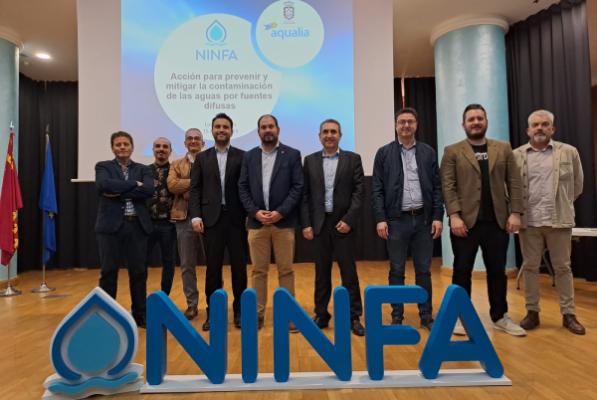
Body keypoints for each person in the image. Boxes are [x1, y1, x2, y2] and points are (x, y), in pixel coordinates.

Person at [441, 103, 526, 336]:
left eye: (480, 118)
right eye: (471, 119)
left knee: (497, 272)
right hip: (464, 224)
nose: (476, 122)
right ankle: (460, 317)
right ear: (463, 124)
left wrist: (516, 212)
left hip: (497, 222)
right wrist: (454, 215)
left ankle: (500, 316)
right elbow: (448, 186)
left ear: (486, 121)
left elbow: (514, 182)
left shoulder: (504, 148)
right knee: (461, 271)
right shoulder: (452, 151)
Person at [513, 109, 585, 335]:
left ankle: (569, 314)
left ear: (552, 129)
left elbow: (577, 186)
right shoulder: (516, 156)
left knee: (563, 268)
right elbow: (510, 188)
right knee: (530, 268)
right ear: (528, 130)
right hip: (529, 222)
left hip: (559, 221)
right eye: (535, 125)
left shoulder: (569, 152)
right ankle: (532, 312)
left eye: (545, 124)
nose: (540, 128)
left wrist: (563, 204)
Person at [371, 108, 443, 330]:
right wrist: (381, 218)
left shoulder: (428, 152)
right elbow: (377, 189)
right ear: (396, 126)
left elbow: (438, 187)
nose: (406, 125)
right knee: (396, 270)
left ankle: (426, 316)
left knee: (424, 270)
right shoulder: (384, 153)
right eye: (402, 122)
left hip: (423, 220)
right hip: (396, 221)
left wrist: (437, 217)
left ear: (416, 125)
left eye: (410, 121)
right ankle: (397, 316)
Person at [238, 114, 303, 330]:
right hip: (257, 224)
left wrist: (280, 212)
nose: (268, 130)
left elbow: (297, 187)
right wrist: (255, 212)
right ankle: (257, 315)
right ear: (258, 131)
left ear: (278, 129)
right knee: (258, 271)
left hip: (283, 223)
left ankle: (289, 315)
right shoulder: (249, 156)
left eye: (271, 126)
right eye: (264, 127)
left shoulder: (292, 155)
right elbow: (242, 187)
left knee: (286, 271)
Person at [301, 119, 365, 336]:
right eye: (325, 132)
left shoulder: (353, 159)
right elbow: (305, 196)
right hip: (320, 225)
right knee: (321, 273)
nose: (329, 135)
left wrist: (349, 220)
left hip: (343, 225)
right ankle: (321, 314)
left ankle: (354, 317)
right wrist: (307, 223)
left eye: (333, 132)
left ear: (340, 135)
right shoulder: (309, 161)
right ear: (319, 136)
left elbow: (359, 193)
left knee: (349, 273)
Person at [189, 113, 247, 331]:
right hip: (210, 221)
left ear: (231, 130)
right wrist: (196, 216)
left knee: (239, 268)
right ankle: (213, 313)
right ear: (212, 130)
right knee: (213, 269)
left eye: (225, 127)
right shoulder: (201, 158)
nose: (221, 130)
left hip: (237, 220)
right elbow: (195, 189)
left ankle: (240, 311)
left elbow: (247, 188)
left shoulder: (243, 156)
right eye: (217, 126)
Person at [95, 131, 153, 328]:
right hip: (110, 227)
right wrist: (133, 184)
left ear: (132, 147)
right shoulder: (103, 166)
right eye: (118, 144)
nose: (122, 147)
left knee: (139, 273)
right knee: (109, 272)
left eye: (126, 144)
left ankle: (140, 314)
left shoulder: (144, 169)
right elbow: (103, 185)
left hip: (137, 226)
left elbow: (148, 190)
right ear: (112, 148)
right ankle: (106, 315)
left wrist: (117, 191)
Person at [167, 128, 205, 320]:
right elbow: (172, 186)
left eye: (197, 138)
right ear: (185, 143)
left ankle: (214, 303)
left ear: (203, 143)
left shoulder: (210, 161)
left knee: (214, 264)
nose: (193, 141)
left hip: (209, 218)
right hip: (184, 218)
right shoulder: (176, 164)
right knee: (187, 265)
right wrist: (197, 182)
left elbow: (214, 186)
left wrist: (187, 185)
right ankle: (192, 304)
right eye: (189, 138)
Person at [146, 137, 176, 295]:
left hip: (169, 225)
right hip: (147, 224)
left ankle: (165, 297)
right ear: (153, 150)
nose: (161, 149)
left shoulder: (175, 171)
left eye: (165, 146)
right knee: (141, 261)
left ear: (170, 151)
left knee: (169, 262)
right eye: (157, 146)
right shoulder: (143, 171)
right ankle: (140, 299)